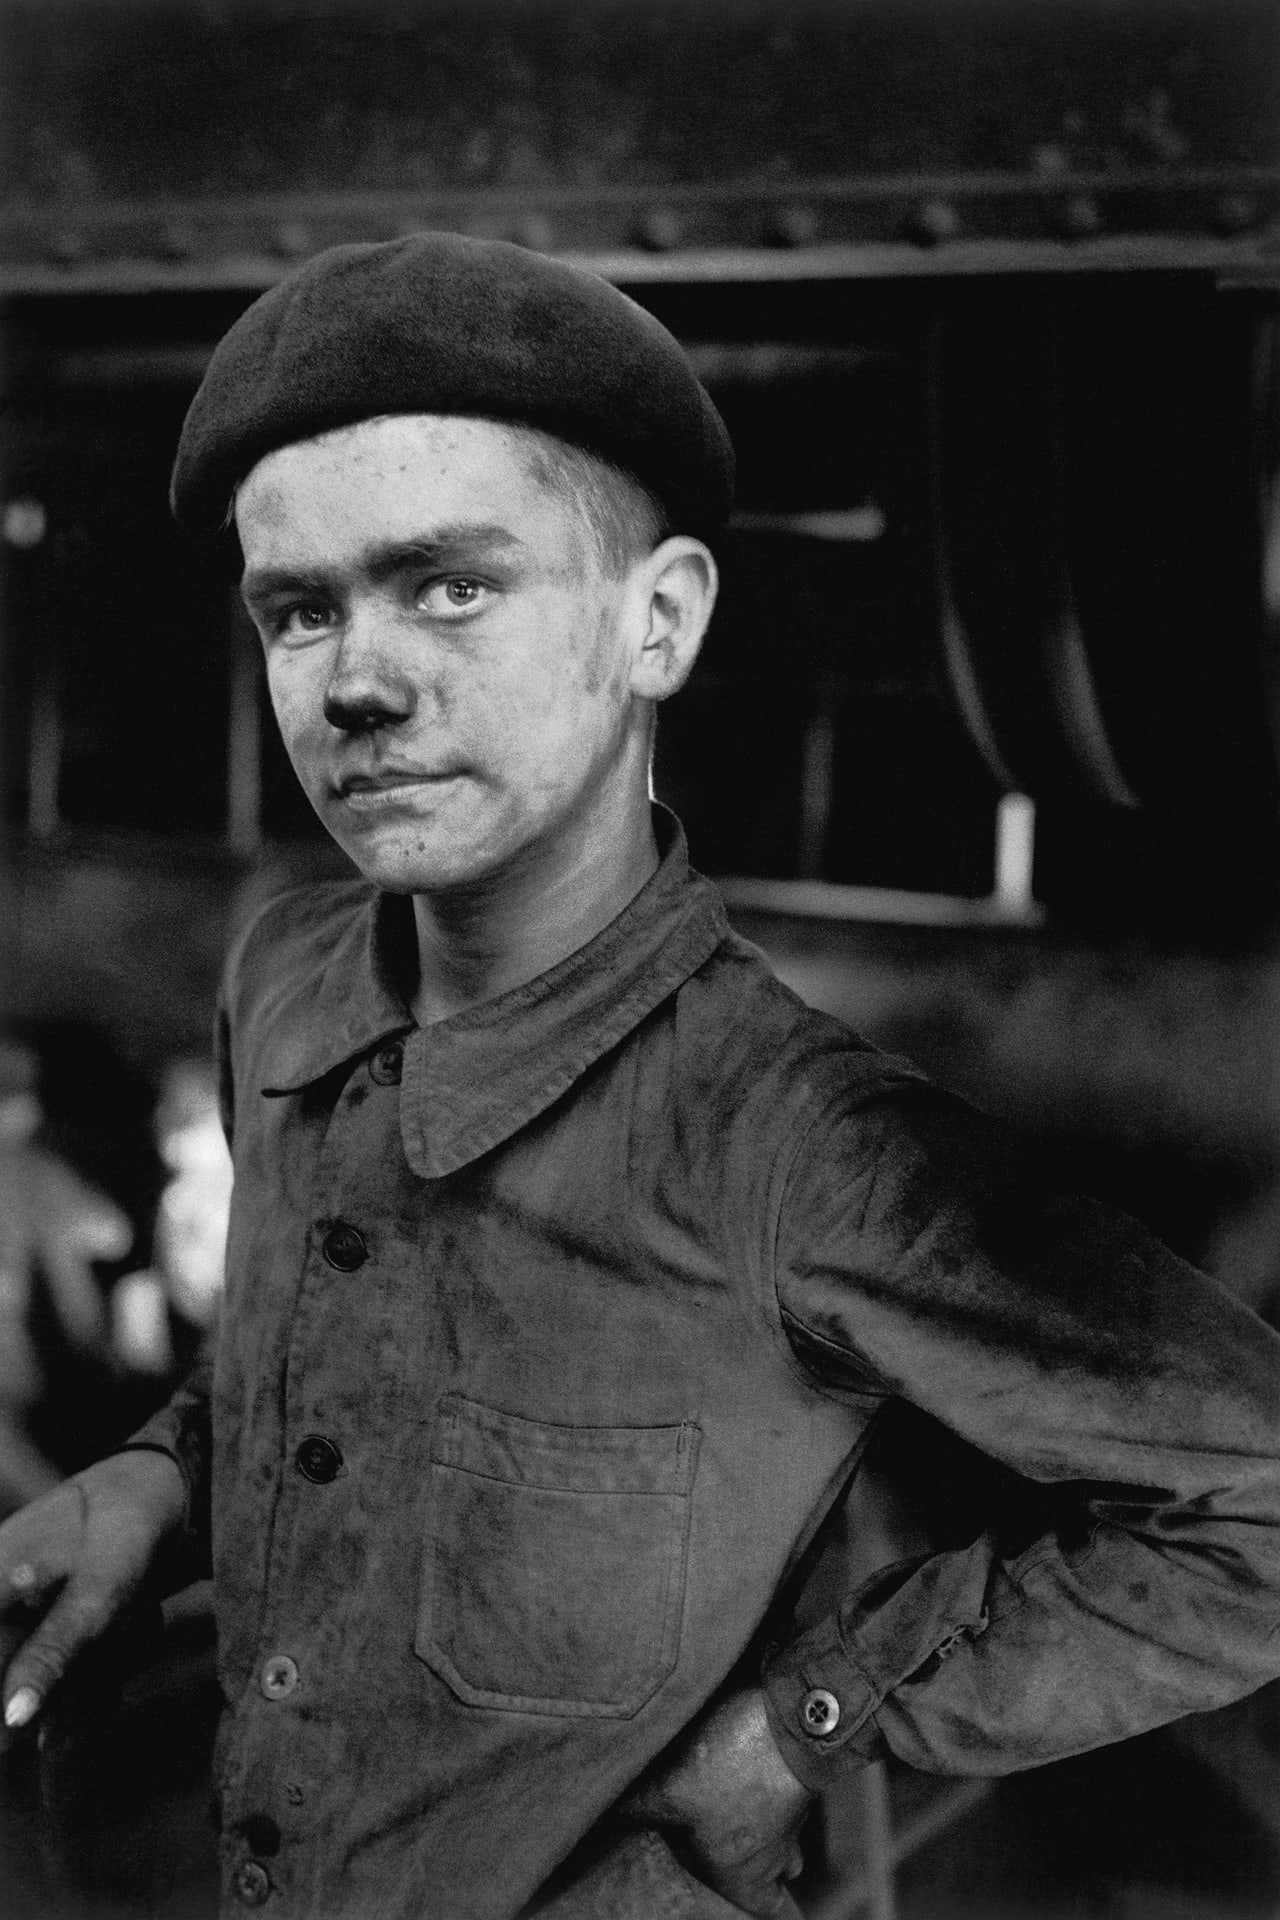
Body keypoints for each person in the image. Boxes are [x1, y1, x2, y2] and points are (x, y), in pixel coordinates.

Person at [2, 234, 1280, 1920]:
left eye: (450, 586)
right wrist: (166, 1476)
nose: (356, 681)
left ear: (657, 620)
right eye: (299, 611)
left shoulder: (800, 1143)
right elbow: (310, 1352)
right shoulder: (285, 979)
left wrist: (805, 1728)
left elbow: (1257, 1501)